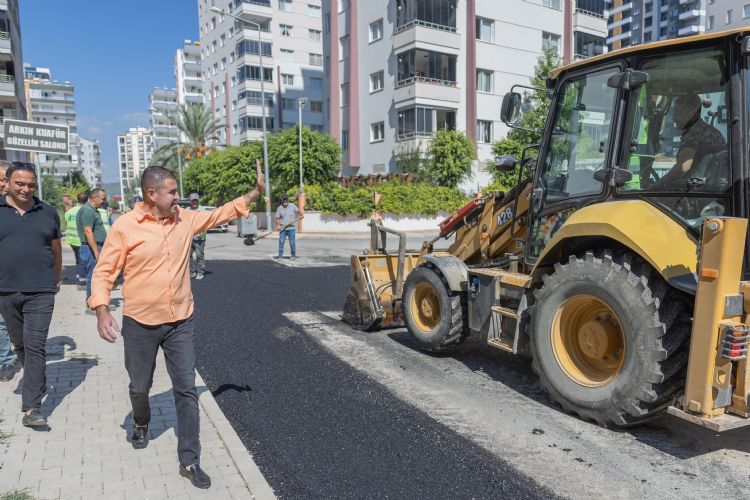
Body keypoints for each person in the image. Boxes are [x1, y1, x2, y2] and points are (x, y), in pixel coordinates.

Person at [90, 163, 264, 489]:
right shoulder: (125, 227)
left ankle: (189, 459)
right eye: (172, 192)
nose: (178, 196)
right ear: (151, 194)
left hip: (181, 321)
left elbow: (220, 214)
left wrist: (254, 193)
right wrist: (101, 310)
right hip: (140, 323)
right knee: (139, 386)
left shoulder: (185, 219)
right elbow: (104, 272)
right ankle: (141, 422)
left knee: (185, 389)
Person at [0, 163, 62, 426]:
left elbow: (57, 250)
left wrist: (55, 279)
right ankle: (38, 381)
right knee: (20, 344)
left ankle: (32, 407)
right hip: (5, 290)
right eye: (20, 184)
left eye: (31, 184)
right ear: (8, 182)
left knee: (35, 345)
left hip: (40, 291)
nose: (26, 189)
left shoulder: (47, 212)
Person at [650, 93, 726, 191]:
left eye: (678, 114)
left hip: (695, 192)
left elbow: (683, 167)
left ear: (693, 111)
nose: (674, 118)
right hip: (711, 188)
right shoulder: (712, 132)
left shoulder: (694, 133)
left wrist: (655, 186)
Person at [0, 160, 19, 382]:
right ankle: (5, 360)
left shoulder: (20, 206)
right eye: (2, 179)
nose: (5, 184)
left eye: (7, 178)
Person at [77, 188, 107, 309]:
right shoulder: (87, 211)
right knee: (93, 276)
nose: (104, 201)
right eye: (103, 199)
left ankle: (97, 301)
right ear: (95, 198)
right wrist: (96, 251)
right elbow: (88, 232)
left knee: (97, 275)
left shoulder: (93, 210)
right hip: (91, 248)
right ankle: (92, 304)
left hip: (96, 246)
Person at [65, 191, 89, 288]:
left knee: (78, 260)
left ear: (77, 200)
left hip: (71, 239)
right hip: (80, 240)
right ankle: (81, 281)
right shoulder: (85, 211)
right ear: (87, 200)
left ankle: (79, 276)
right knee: (83, 260)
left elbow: (67, 222)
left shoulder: (69, 211)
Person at [275, 194, 302, 259]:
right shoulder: (279, 208)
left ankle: (293, 255)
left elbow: (298, 211)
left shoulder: (292, 206)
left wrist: (301, 215)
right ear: (281, 201)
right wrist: (278, 225)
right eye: (283, 200)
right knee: (281, 242)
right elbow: (277, 218)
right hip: (283, 228)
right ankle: (280, 256)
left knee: (292, 242)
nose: (285, 201)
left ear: (288, 200)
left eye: (286, 200)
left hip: (291, 228)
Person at [188, 193, 207, 280]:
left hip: (200, 237)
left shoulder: (203, 210)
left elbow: (207, 222)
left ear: (198, 200)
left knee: (199, 255)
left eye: (196, 200)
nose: (194, 202)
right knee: (188, 256)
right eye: (193, 200)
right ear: (190, 201)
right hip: (189, 237)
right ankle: (192, 272)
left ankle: (200, 272)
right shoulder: (187, 210)